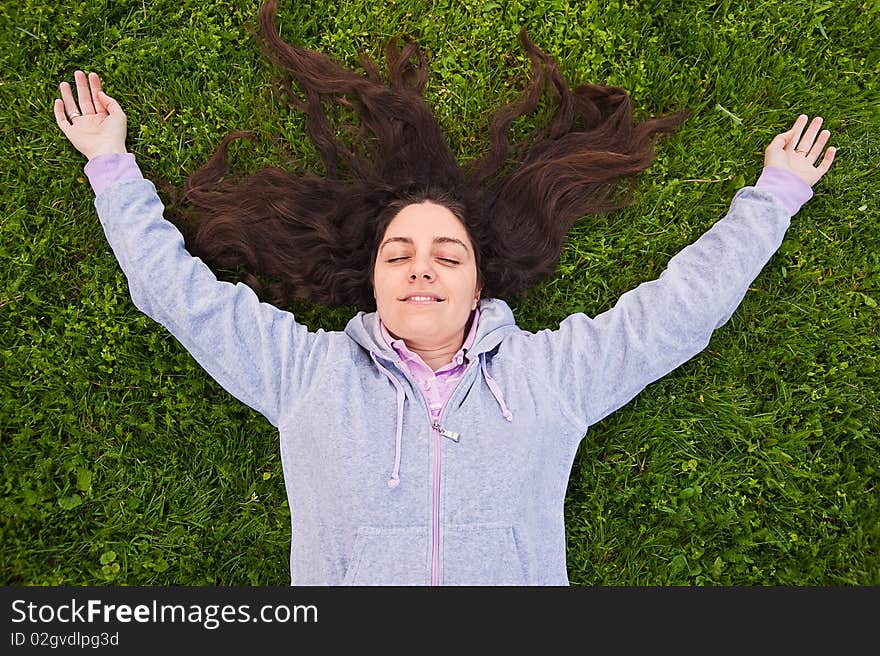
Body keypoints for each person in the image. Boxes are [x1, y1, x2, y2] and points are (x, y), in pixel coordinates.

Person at [54, 1, 835, 585]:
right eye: (399, 254)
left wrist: (775, 196)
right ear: (375, 282)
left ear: (478, 285)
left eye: (445, 255)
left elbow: (678, 312)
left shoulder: (551, 378)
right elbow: (178, 295)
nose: (420, 268)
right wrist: (110, 166)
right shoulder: (305, 375)